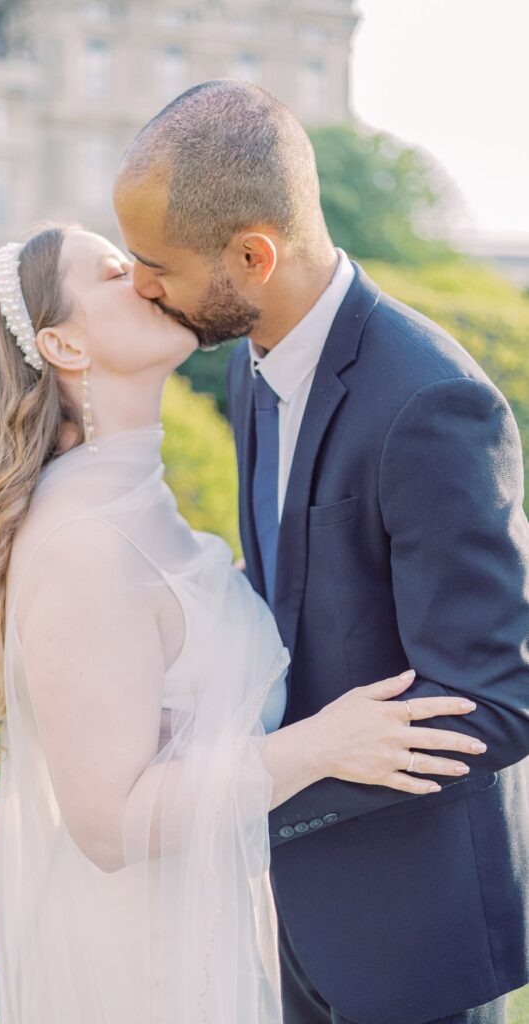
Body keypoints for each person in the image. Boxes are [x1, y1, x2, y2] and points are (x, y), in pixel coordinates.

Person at [0, 223, 485, 1023]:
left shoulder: (132, 499)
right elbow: (107, 824)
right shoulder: (84, 544)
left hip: (226, 922)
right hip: (157, 969)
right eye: (116, 274)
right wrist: (325, 744)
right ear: (63, 346)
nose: (149, 279)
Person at [112, 79, 529, 1024]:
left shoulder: (430, 404)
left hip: (414, 941)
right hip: (296, 917)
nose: (139, 286)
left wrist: (263, 786)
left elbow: (496, 701)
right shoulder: (248, 365)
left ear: (251, 256)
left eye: (154, 265)